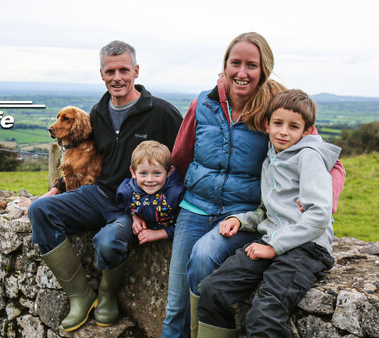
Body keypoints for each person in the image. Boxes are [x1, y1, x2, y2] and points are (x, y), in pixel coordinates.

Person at [161, 32, 346, 338]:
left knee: (205, 258)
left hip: (243, 210)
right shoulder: (202, 104)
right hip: (196, 206)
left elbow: (328, 161)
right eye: (236, 63)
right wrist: (154, 208)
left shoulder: (277, 108)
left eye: (251, 65)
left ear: (264, 70)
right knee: (175, 305)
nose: (242, 72)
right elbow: (179, 159)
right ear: (225, 65)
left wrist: (324, 202)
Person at [29, 40, 183, 332]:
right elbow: (86, 157)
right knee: (40, 210)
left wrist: (166, 206)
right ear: (101, 74)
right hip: (98, 194)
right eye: (110, 71)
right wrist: (60, 185)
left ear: (136, 71)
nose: (117, 77)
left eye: (123, 70)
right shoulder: (98, 112)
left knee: (108, 241)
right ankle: (80, 295)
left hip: (133, 207)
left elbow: (185, 158)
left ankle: (108, 295)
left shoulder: (161, 113)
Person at [196, 89, 340, 337]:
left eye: (293, 126)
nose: (283, 131)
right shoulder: (272, 158)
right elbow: (268, 212)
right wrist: (239, 220)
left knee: (264, 315)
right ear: (267, 124)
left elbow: (319, 215)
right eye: (278, 123)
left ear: (307, 131)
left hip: (307, 248)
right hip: (272, 239)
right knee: (212, 290)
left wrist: (274, 246)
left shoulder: (309, 158)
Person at [116, 140, 185, 245]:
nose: (149, 179)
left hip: (168, 232)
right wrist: (135, 216)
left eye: (157, 173)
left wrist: (159, 233)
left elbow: (186, 225)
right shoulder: (127, 191)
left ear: (169, 172)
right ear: (133, 172)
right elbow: (125, 208)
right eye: (143, 173)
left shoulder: (176, 194)